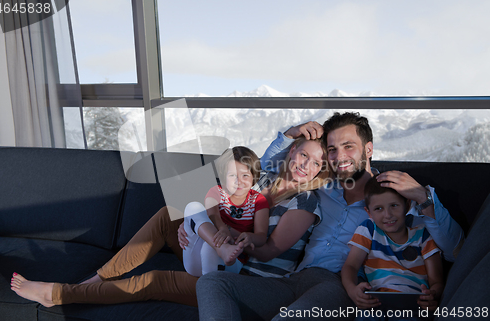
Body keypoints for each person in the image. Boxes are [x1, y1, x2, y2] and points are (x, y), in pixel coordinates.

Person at [196, 112, 464, 321]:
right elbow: (265, 172)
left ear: (368, 149)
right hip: (293, 279)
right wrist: (290, 136)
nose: (339, 157)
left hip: (339, 286)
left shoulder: (391, 199)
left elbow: (454, 250)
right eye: (333, 150)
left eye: (349, 146)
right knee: (211, 284)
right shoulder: (323, 186)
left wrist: (424, 198)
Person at [10, 137, 330, 309]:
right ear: (292, 153)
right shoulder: (262, 182)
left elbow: (270, 250)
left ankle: (60, 294)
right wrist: (195, 228)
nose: (307, 165)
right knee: (171, 213)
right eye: (304, 155)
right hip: (217, 255)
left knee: (155, 282)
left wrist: (218, 236)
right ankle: (94, 280)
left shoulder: (305, 201)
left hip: (242, 280)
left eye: (317, 163)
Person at [341, 175, 444, 319]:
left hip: (412, 307)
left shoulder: (423, 235)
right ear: (369, 212)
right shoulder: (368, 229)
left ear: (407, 206)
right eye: (378, 209)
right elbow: (350, 266)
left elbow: (437, 281)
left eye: (394, 206)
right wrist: (352, 290)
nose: (388, 215)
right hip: (376, 304)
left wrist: (432, 295)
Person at [182, 146, 270, 277]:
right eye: (232, 175)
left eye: (245, 175)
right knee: (193, 207)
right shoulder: (216, 192)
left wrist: (250, 237)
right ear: (223, 176)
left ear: (254, 176)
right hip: (195, 260)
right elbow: (212, 215)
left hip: (231, 263)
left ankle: (209, 284)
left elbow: (262, 237)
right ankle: (222, 249)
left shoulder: (258, 200)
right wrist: (223, 228)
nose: (238, 181)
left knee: (211, 246)